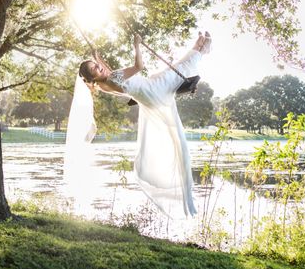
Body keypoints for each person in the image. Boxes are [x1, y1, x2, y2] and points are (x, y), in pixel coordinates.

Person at [67, 31, 212, 218]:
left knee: (173, 69)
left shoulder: (103, 84)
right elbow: (138, 66)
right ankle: (201, 49)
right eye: (94, 68)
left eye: (96, 65)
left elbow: (108, 71)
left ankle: (198, 47)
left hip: (149, 93)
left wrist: (97, 58)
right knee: (177, 72)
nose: (98, 67)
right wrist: (136, 44)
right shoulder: (110, 79)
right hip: (154, 90)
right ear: (93, 77)